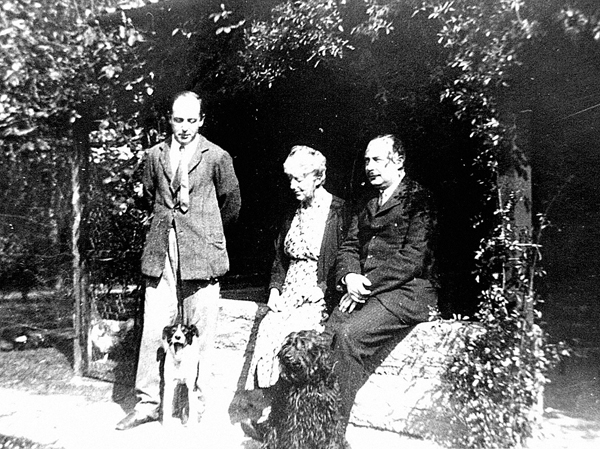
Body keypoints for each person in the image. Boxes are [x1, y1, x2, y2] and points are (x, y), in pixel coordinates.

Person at [116, 91, 241, 431]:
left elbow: (231, 204)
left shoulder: (217, 156)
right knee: (154, 327)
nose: (184, 127)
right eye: (177, 119)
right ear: (169, 119)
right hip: (162, 252)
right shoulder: (154, 156)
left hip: (202, 253)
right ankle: (147, 404)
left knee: (202, 334)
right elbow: (149, 198)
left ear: (201, 120)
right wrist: (167, 229)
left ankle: (196, 408)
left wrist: (204, 230)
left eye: (191, 120)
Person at [324, 134, 437, 434]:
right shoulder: (366, 201)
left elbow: (413, 258)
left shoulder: (418, 199)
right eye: (366, 160)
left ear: (398, 161)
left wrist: (365, 283)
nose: (369, 166)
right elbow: (349, 246)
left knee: (348, 336)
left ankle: (331, 435)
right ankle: (291, 424)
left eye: (377, 159)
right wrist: (349, 277)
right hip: (364, 289)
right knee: (322, 338)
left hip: (405, 294)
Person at [245, 145, 347, 392]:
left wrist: (323, 288)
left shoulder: (339, 211)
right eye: (290, 179)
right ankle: (271, 404)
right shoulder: (292, 210)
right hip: (289, 290)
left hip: (318, 294)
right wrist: (274, 290)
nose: (292, 186)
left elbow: (345, 257)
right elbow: (280, 257)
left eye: (299, 179)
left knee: (296, 337)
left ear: (319, 177)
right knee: (269, 326)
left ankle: (291, 404)